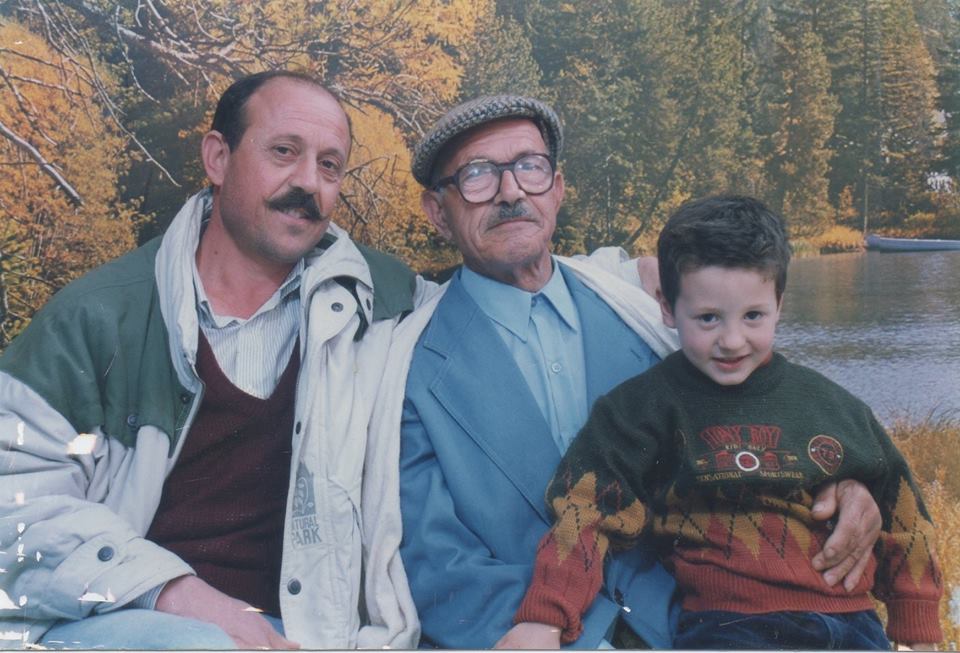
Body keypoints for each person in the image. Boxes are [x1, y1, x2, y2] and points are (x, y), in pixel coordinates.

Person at [379, 95, 886, 649]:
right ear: (437, 212)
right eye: (477, 175)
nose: (511, 191)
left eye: (529, 166)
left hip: (708, 624)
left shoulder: (643, 315)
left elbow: (758, 420)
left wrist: (849, 483)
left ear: (558, 188)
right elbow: (435, 560)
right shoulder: (410, 364)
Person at [0, 70, 422, 649]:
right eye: (283, 152)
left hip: (307, 634)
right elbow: (14, 512)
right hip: (122, 619)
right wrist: (171, 590)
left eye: (330, 165)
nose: (309, 183)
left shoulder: (385, 306)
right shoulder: (97, 317)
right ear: (217, 158)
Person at [507, 195, 943, 650]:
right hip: (730, 627)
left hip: (853, 621)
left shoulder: (830, 404)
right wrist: (546, 617)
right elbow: (587, 511)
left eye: (753, 316)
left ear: (779, 304)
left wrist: (918, 625)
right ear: (667, 308)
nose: (732, 341)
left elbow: (901, 506)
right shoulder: (642, 407)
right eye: (708, 318)